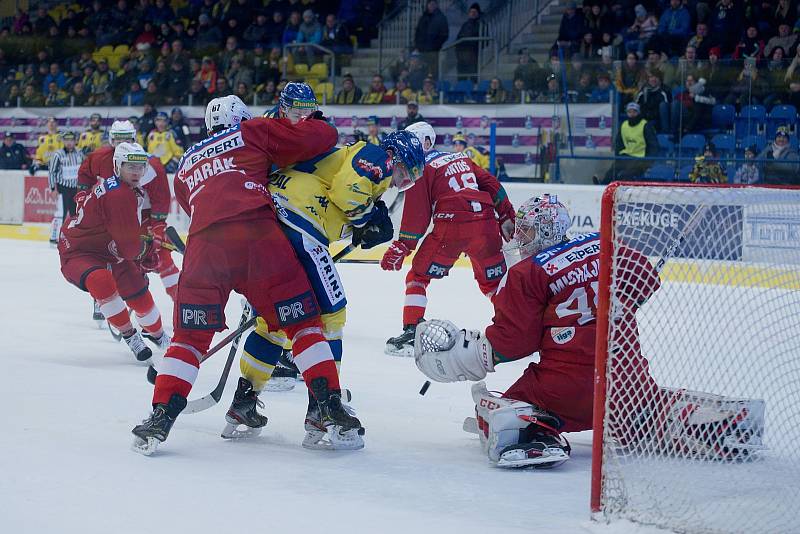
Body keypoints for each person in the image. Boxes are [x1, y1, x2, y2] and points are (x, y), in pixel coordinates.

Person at [413, 195, 764, 468]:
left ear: (548, 230)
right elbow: (645, 280)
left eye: (528, 230)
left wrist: (467, 357)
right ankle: (715, 421)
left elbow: (513, 342)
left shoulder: (528, 273)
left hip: (564, 390)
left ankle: (536, 434)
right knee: (646, 407)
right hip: (626, 383)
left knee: (493, 404)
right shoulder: (602, 244)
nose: (520, 237)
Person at [130, 95, 360, 456]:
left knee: (188, 338)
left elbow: (196, 204)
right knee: (303, 324)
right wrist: (315, 121)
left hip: (204, 249)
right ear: (242, 118)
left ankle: (160, 414)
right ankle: (329, 405)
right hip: (259, 239)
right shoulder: (252, 132)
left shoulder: (188, 160)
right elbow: (319, 139)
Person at [230, 116, 424, 448]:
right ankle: (323, 408)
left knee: (275, 322)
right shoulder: (378, 155)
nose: (400, 182)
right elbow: (348, 194)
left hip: (272, 221)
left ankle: (242, 403)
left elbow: (339, 195)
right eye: (405, 173)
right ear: (398, 157)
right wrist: (366, 220)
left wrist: (363, 223)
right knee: (332, 316)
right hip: (299, 223)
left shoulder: (358, 159)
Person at [382, 122, 515, 356]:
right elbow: (491, 184)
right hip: (485, 224)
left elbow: (418, 214)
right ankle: (515, 328)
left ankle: (412, 332)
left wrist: (404, 245)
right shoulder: (460, 158)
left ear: (425, 142)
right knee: (494, 283)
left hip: (452, 225)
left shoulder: (419, 165)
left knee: (418, 276)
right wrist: (506, 213)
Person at [58, 142, 170, 365]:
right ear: (118, 166)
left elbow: (124, 235)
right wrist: (145, 251)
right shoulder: (120, 194)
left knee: (140, 297)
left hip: (109, 248)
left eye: (141, 167)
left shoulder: (125, 188)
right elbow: (129, 248)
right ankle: (131, 335)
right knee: (102, 281)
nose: (137, 172)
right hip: (80, 250)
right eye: (131, 167)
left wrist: (142, 246)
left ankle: (157, 335)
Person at [77, 120, 180, 300]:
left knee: (161, 258)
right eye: (118, 139)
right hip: (111, 218)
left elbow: (160, 198)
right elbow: (85, 174)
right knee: (111, 258)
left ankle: (182, 300)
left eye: (127, 139)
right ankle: (108, 295)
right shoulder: (99, 156)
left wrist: (157, 227)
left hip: (143, 218)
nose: (122, 143)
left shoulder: (152, 164)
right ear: (111, 140)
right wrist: (82, 196)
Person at [597, 102, 657, 184]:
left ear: (638, 112)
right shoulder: (624, 125)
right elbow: (619, 143)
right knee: (612, 171)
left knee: (626, 175)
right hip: (626, 156)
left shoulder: (645, 125)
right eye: (629, 112)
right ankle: (602, 184)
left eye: (634, 112)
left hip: (640, 158)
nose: (632, 114)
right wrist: (618, 156)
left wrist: (647, 161)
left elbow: (653, 145)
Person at [48, 132, 85, 245]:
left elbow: (83, 170)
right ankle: (55, 235)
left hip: (75, 188)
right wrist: (53, 188)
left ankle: (71, 236)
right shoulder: (58, 155)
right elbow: (51, 172)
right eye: (67, 140)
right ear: (63, 141)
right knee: (60, 213)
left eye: (71, 140)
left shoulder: (79, 153)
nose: (69, 142)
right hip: (62, 188)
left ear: (75, 141)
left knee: (75, 214)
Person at [414, 0, 449, 78]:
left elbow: (444, 35)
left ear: (436, 5)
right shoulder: (423, 17)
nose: (431, 6)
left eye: (433, 4)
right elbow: (417, 33)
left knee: (433, 72)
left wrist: (435, 46)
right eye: (430, 4)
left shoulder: (441, 18)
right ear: (427, 5)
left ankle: (433, 87)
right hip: (422, 50)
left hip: (434, 52)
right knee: (422, 71)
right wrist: (417, 45)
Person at [456, 3, 483, 82]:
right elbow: (458, 38)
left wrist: (474, 46)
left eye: (475, 12)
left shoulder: (481, 24)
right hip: (462, 55)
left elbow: (485, 41)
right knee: (461, 78)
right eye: (471, 12)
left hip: (473, 55)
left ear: (478, 13)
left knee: (473, 77)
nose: (473, 14)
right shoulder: (465, 25)